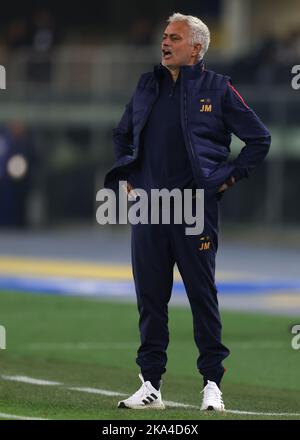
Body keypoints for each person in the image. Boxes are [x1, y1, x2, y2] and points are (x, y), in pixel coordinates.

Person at [104, 13, 271, 411]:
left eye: (174, 38)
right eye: (164, 36)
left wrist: (225, 180)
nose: (165, 42)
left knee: (202, 296)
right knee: (150, 299)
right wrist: (128, 170)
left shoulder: (219, 89)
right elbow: (122, 134)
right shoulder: (147, 85)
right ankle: (150, 386)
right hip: (148, 208)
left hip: (195, 209)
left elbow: (259, 139)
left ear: (196, 48)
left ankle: (212, 384)